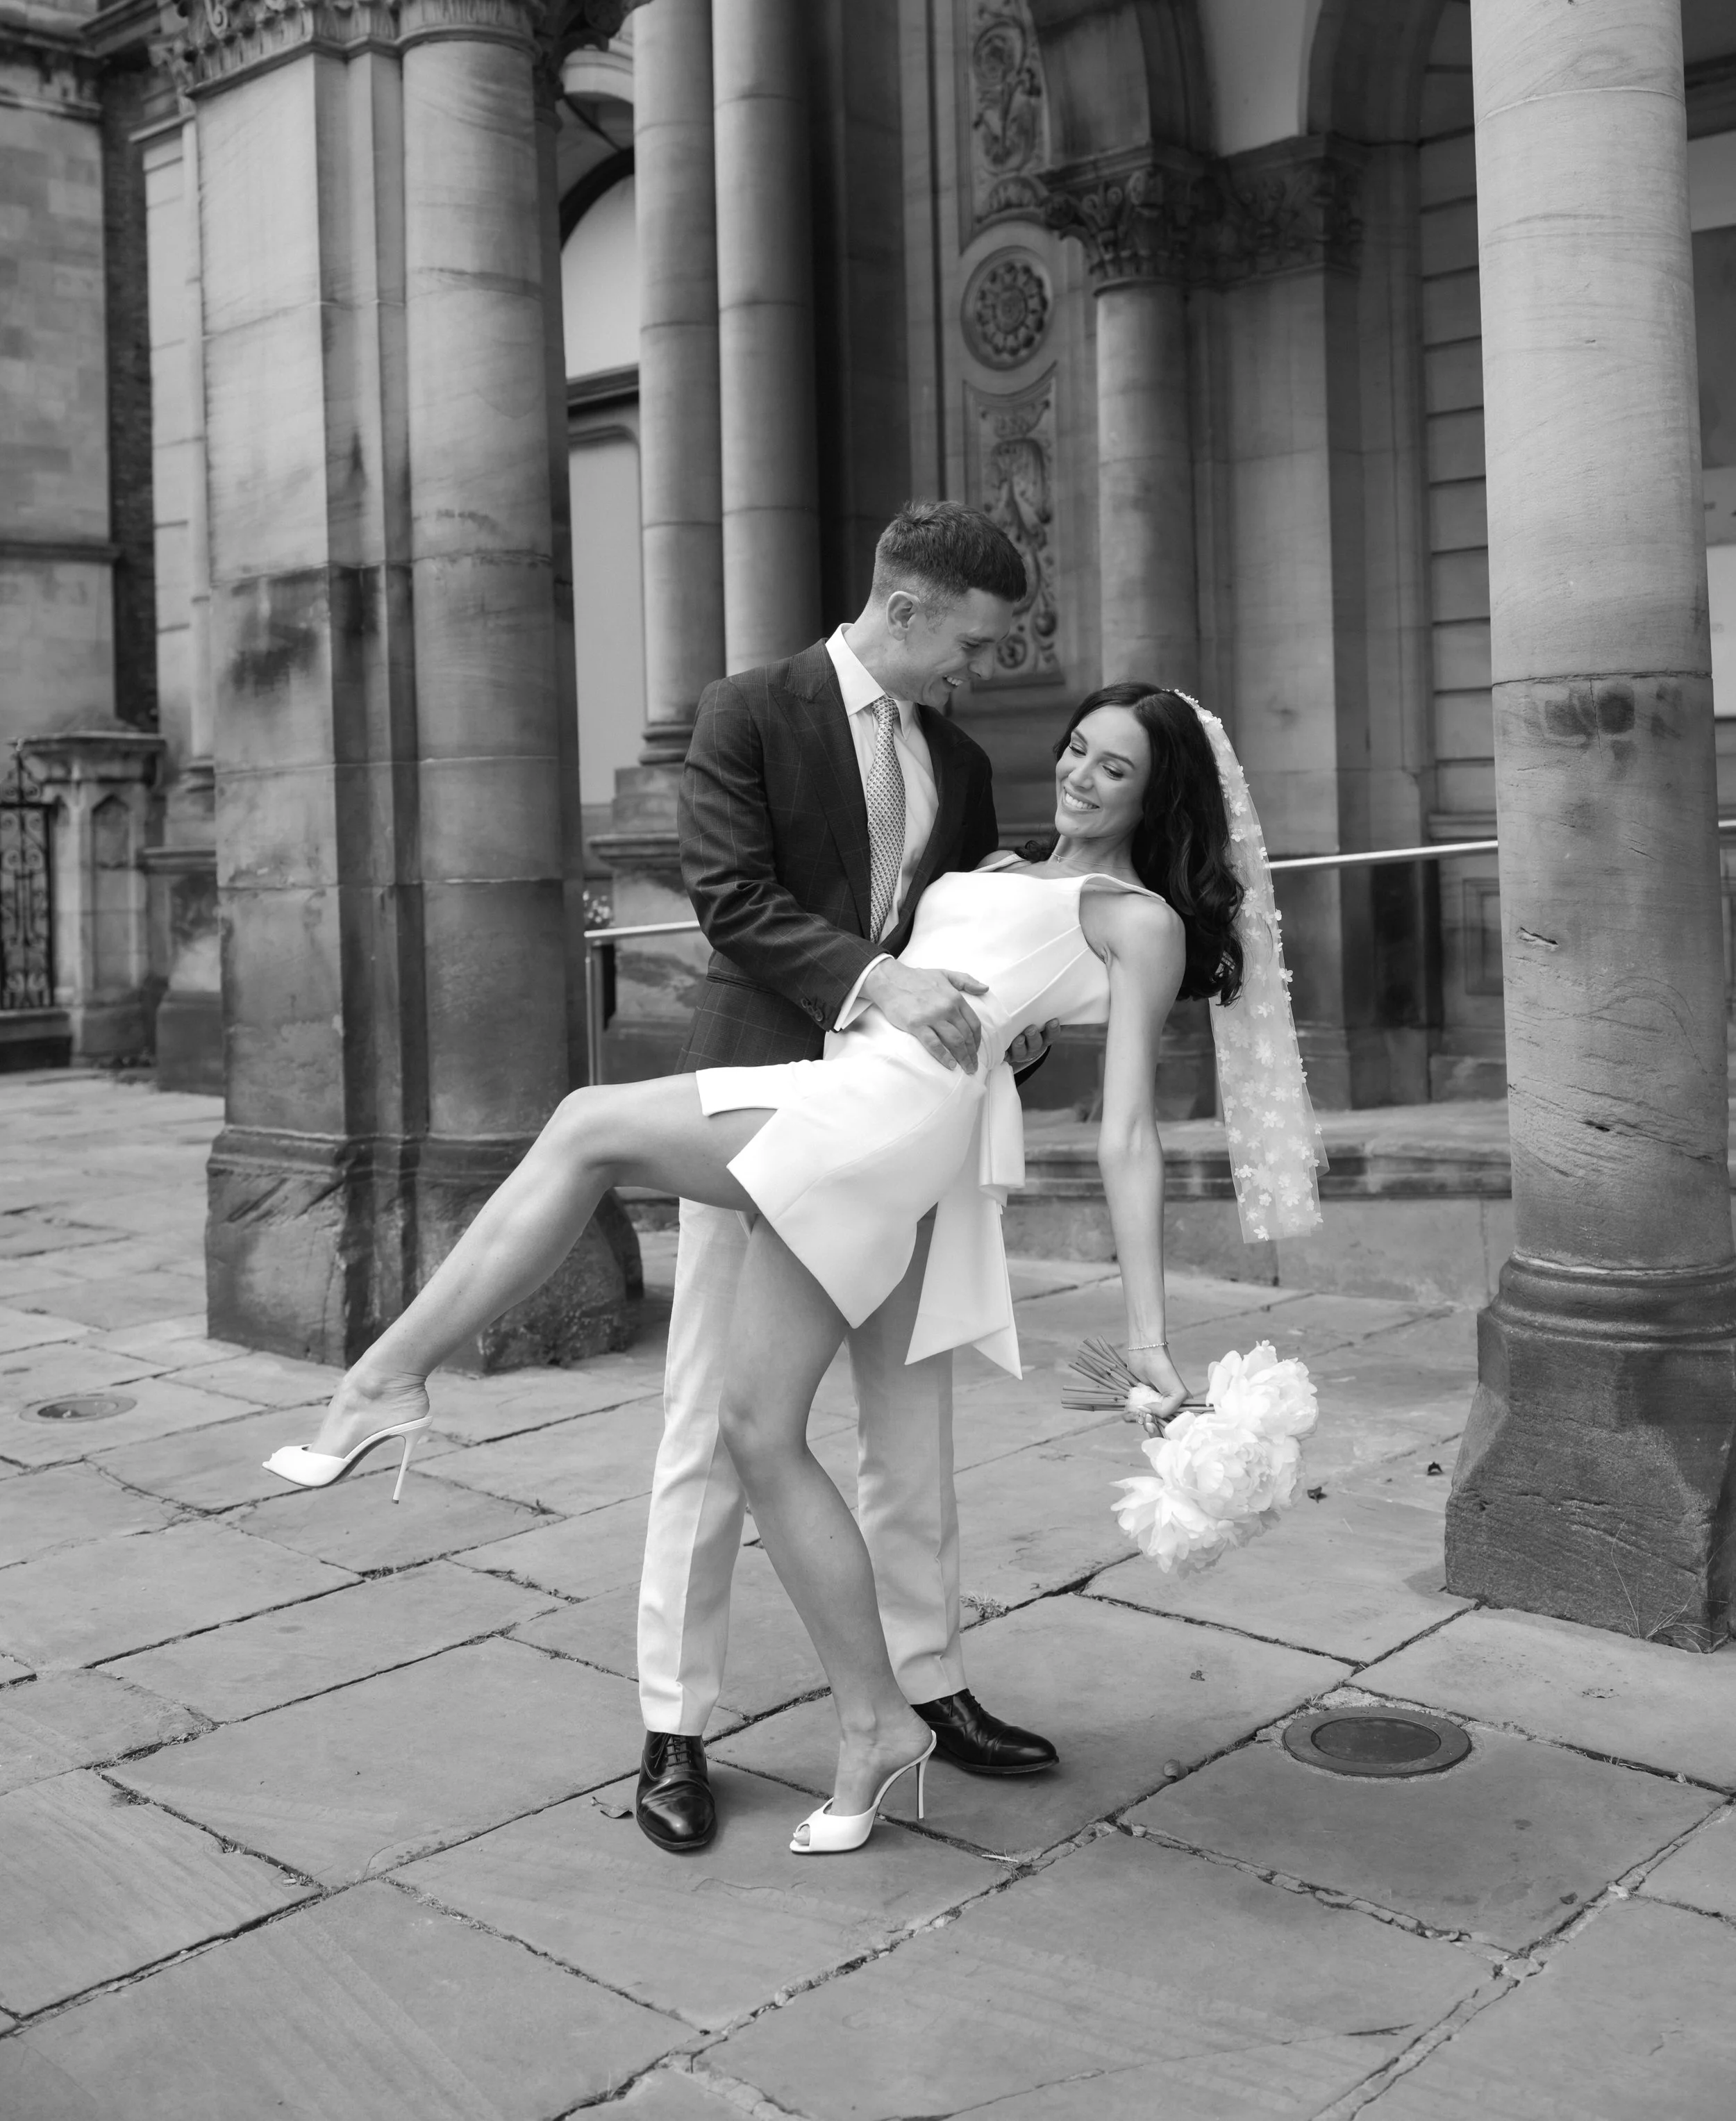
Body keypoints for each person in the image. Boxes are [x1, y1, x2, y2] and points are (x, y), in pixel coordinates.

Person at [267, 676, 1324, 1854]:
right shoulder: (1001, 861)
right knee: (753, 1431)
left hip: (881, 1123)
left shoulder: (1137, 916)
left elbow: (1130, 1131)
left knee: (584, 1124)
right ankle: (875, 1723)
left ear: (1157, 791)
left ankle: (386, 1379)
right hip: (842, 1090)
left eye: (1112, 766)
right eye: (1077, 749)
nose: (1079, 773)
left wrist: (1147, 1333)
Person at [635, 501, 1058, 1855]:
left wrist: (1011, 1020)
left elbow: (970, 951)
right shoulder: (748, 709)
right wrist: (884, 984)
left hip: (901, 1133)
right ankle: (674, 1721)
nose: (976, 674)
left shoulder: (961, 762)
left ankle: (924, 1686)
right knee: (714, 1423)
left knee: (909, 1416)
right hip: (761, 1109)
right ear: (909, 605)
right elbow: (730, 899)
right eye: (974, 646)